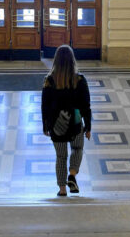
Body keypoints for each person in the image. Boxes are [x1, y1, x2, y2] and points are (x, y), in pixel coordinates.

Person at [41, 45, 92, 196]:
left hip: (56, 123)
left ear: (56, 60)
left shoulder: (49, 80)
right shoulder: (80, 79)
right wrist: (88, 126)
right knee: (77, 148)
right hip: (75, 120)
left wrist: (45, 125)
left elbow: (45, 105)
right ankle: (72, 175)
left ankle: (62, 189)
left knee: (61, 156)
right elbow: (86, 105)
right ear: (72, 60)